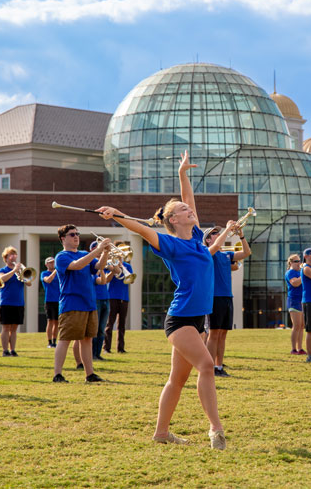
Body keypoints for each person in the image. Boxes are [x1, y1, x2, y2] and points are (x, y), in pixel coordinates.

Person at [96, 151, 228, 450]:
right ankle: (216, 430)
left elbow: (189, 199)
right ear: (172, 219)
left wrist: (183, 173)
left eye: (188, 209)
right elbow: (142, 229)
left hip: (198, 318)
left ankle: (161, 433)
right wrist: (116, 214)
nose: (190, 210)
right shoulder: (168, 242)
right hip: (180, 319)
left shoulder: (196, 237)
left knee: (177, 380)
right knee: (207, 366)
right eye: (183, 210)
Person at [52, 225, 111, 383]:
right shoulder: (61, 257)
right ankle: (57, 374)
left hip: (89, 303)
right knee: (65, 339)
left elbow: (98, 267)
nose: (76, 236)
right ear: (63, 238)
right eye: (72, 234)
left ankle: (89, 374)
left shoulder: (85, 254)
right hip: (71, 304)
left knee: (87, 340)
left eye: (77, 234)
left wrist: (105, 252)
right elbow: (77, 265)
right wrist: (97, 251)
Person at [204, 224, 251, 376]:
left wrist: (241, 236)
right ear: (207, 240)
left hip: (227, 297)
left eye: (218, 232)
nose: (218, 234)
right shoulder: (207, 253)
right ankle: (210, 368)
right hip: (214, 297)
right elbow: (216, 246)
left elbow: (246, 252)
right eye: (214, 233)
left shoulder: (226, 255)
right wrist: (227, 230)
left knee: (223, 333)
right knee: (214, 333)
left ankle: (219, 367)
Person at [89, 244, 112, 360]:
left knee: (102, 329)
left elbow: (105, 280)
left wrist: (112, 267)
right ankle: (92, 354)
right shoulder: (91, 263)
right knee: (95, 329)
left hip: (105, 298)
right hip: (95, 299)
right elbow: (96, 278)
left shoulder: (104, 263)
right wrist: (100, 267)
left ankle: (98, 354)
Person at [284, 254, 305, 355]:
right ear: (291, 263)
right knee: (296, 325)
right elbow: (295, 283)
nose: (299, 263)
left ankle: (300, 348)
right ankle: (293, 349)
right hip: (294, 300)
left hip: (302, 300)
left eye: (299, 261)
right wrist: (304, 274)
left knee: (301, 326)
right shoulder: (290, 272)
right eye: (296, 261)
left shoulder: (299, 272)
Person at [40, 257, 60, 349]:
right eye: (50, 263)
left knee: (57, 322)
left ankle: (54, 341)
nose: (52, 264)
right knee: (50, 321)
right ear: (46, 264)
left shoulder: (59, 273)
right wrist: (56, 271)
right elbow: (48, 280)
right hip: (49, 300)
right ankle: (49, 341)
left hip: (59, 300)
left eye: (53, 262)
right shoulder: (44, 273)